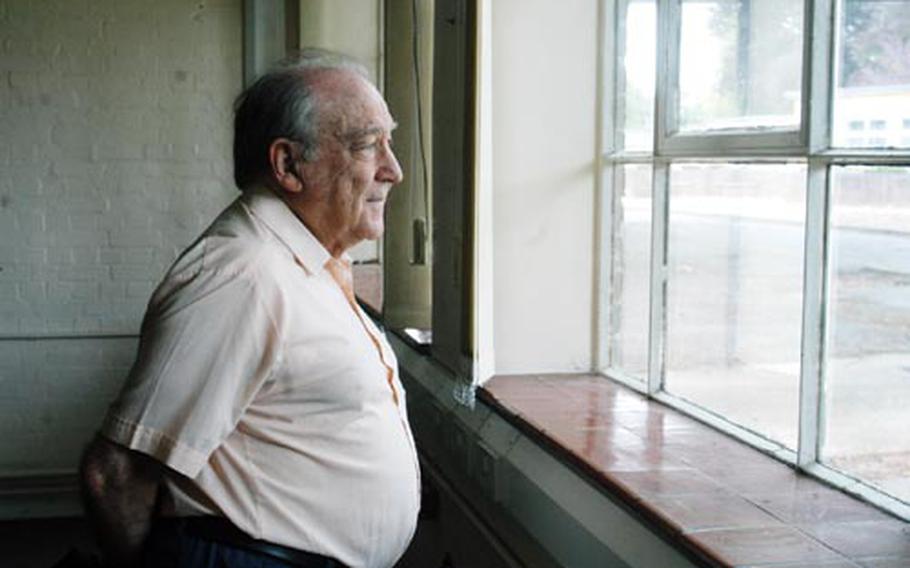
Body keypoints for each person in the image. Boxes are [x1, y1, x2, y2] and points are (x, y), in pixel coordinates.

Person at [79, 49, 420, 568]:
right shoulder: (242, 273)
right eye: (368, 146)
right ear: (288, 164)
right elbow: (116, 474)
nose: (392, 170)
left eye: (388, 143)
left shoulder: (306, 261)